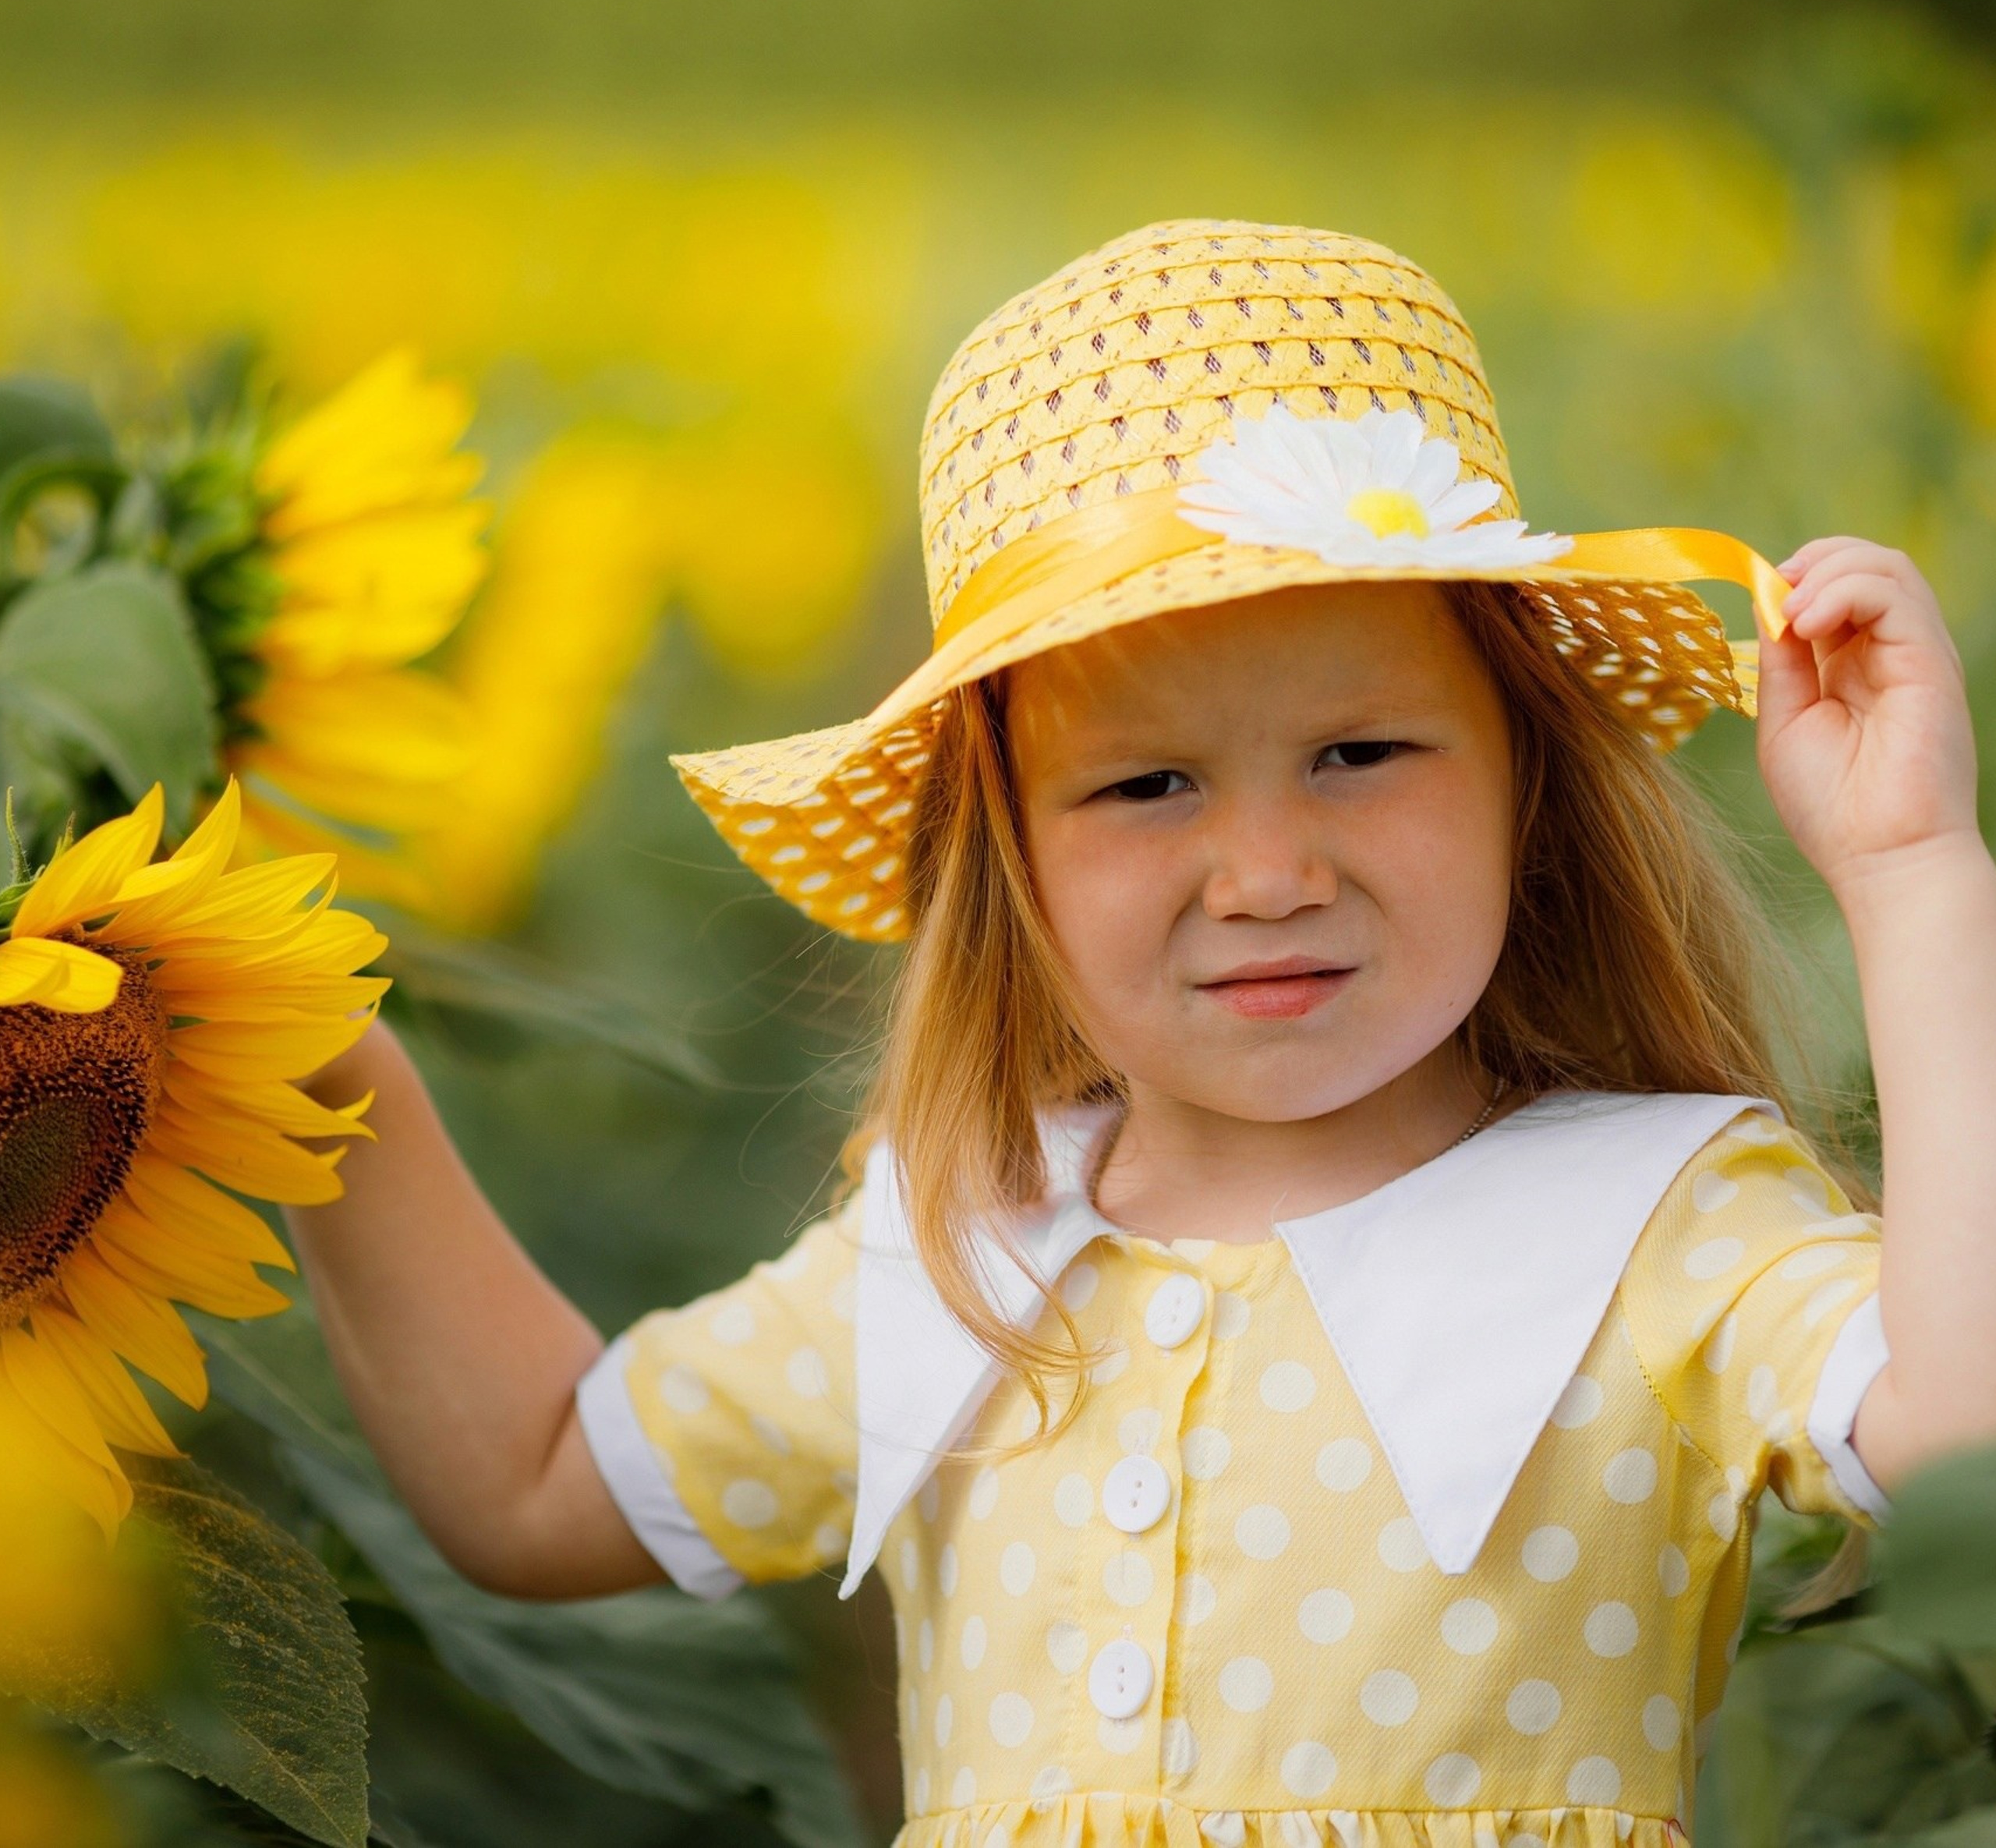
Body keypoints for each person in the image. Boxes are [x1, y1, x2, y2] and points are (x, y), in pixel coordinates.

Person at [292, 220, 1996, 1846]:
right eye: (1146, 783)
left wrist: (1911, 872)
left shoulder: (1649, 1230)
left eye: (1358, 754)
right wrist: (313, 1065)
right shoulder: (966, 1248)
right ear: (1009, 862)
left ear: (1523, 783)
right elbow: (535, 1484)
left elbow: (1961, 1439)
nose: (1267, 874)